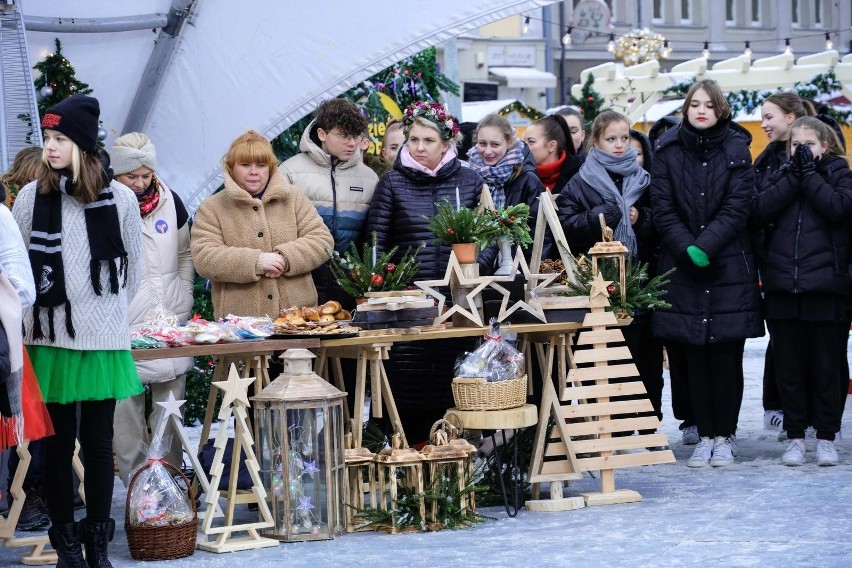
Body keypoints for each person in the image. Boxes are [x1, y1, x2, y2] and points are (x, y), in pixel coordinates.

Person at [12, 93, 144, 567]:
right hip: (49, 337)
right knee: (55, 445)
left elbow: (134, 268)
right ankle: (66, 545)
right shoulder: (31, 198)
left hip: (102, 342)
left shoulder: (122, 198)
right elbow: (20, 267)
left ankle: (98, 547)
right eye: (47, 138)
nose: (50, 147)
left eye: (60, 138)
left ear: (83, 145)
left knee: (99, 443)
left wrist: (103, 314)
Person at [650, 79, 763, 468]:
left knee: (726, 354)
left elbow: (738, 206)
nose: (701, 110)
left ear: (721, 110)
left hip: (728, 263)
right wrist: (686, 249)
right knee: (693, 355)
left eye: (709, 105)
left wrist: (706, 246)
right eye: (694, 104)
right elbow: (662, 208)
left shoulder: (737, 149)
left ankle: (725, 435)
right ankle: (704, 434)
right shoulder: (666, 149)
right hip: (682, 266)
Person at [366, 101, 485, 444]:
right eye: (413, 139)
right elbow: (377, 242)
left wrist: (474, 270)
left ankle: (456, 460)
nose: (418, 147)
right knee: (407, 386)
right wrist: (388, 286)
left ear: (446, 143)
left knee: (454, 382)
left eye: (427, 140)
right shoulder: (392, 183)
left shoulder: (469, 180)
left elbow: (489, 236)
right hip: (408, 307)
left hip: (459, 304)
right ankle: (409, 457)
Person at [555, 111, 662, 438]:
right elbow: (566, 227)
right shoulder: (581, 180)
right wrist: (602, 217)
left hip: (641, 278)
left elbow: (662, 221)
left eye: (623, 138)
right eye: (610, 139)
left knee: (643, 355)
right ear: (595, 141)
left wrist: (641, 218)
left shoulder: (643, 177)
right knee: (605, 354)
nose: (619, 145)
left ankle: (646, 422)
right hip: (600, 280)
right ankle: (608, 425)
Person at [753, 116, 852, 466]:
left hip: (827, 287)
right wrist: (793, 175)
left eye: (809, 144)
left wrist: (809, 175)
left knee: (827, 366)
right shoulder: (780, 174)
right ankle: (795, 436)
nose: (802, 151)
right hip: (783, 286)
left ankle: (825, 435)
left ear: (824, 146)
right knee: (788, 367)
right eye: (796, 145)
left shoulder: (839, 172)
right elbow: (760, 209)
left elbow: (839, 209)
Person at [109, 133, 195, 485]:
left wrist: (184, 291)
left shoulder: (171, 202)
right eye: (132, 176)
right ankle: (136, 490)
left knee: (170, 411)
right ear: (116, 174)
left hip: (168, 318)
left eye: (146, 175)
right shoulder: (104, 204)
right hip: (123, 321)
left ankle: (171, 480)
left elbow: (186, 252)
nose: (141, 183)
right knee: (124, 415)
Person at [192, 130, 333, 319]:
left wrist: (286, 258)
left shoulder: (294, 198)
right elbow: (204, 257)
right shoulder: (212, 207)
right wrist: (257, 262)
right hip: (240, 325)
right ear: (232, 167)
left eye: (261, 165)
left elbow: (322, 241)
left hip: (298, 318)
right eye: (245, 165)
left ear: (270, 168)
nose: (253, 172)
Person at [755, 92, 815, 436]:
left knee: (813, 346)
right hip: (776, 265)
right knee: (782, 343)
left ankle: (810, 416)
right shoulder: (769, 157)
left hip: (810, 268)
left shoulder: (805, 157)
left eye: (769, 117)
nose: (764, 124)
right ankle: (781, 409)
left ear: (791, 118)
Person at [280, 99, 378, 311]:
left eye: (356, 135)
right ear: (322, 134)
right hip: (301, 283)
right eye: (343, 135)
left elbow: (373, 239)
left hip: (350, 289)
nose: (352, 143)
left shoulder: (369, 178)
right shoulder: (289, 172)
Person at [1, 146, 52, 532]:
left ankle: (22, 496)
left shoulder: (4, 214)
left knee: (21, 427)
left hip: (18, 337)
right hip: (24, 333)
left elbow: (23, 284)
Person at [467, 113, 543, 270]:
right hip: (476, 268)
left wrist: (527, 274)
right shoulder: (468, 176)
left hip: (517, 271)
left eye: (495, 145)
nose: (487, 151)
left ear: (509, 142)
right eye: (482, 143)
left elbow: (539, 235)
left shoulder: (528, 180)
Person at [523, 114, 581, 194]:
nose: (524, 147)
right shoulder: (518, 174)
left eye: (531, 141)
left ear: (552, 146)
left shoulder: (580, 174)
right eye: (524, 141)